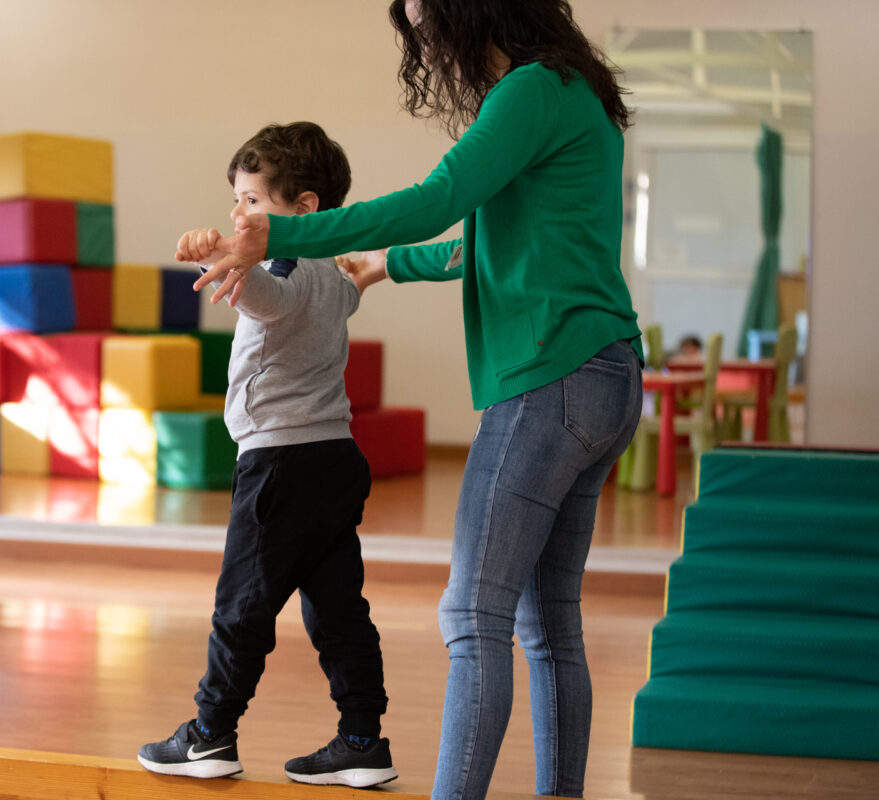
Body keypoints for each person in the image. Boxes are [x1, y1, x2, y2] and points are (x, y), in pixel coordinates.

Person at [178, 2, 643, 797]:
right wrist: (388, 265)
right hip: (609, 374)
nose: (424, 42)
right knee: (547, 622)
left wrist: (276, 236)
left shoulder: (530, 89)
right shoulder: (577, 92)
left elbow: (437, 200)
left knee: (473, 615)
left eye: (429, 22)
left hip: (552, 377)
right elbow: (486, 244)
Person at [137, 121, 397, 789]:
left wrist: (228, 261)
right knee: (338, 609)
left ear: (303, 209)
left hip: (280, 466)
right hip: (335, 460)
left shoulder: (284, 271)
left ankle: (210, 734)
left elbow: (270, 299)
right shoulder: (333, 275)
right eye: (236, 200)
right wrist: (246, 256)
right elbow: (335, 296)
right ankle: (362, 739)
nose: (238, 214)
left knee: (242, 606)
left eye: (252, 201)